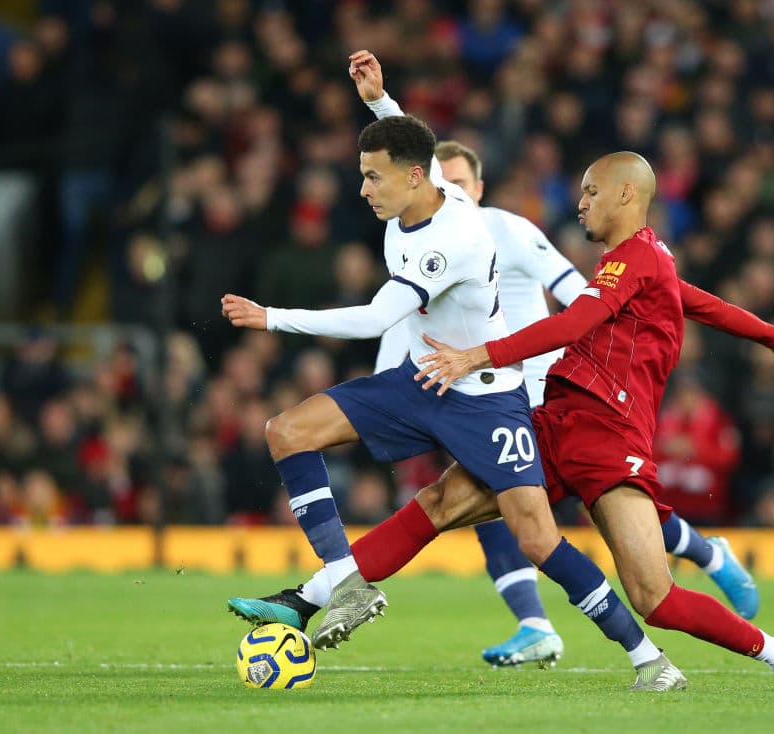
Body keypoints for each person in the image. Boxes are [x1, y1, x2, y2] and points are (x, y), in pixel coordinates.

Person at [223, 50, 688, 691]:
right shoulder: (418, 192)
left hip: (487, 401)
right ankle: (349, 587)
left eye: (373, 179)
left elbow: (372, 319)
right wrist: (377, 103)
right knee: (286, 430)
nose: (363, 190)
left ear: (412, 180)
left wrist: (272, 317)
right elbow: (418, 146)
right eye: (362, 176)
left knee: (537, 539)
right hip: (424, 380)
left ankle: (649, 659)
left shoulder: (452, 239)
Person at [366, 55, 759, 668]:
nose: (453, 193)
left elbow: (583, 299)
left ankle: (702, 562)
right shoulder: (417, 245)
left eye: (463, 182)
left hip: (550, 383)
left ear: (478, 188)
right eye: (443, 182)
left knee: (599, 516)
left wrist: (496, 351)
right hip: (491, 389)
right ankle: (541, 625)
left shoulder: (512, 232)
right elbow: (401, 325)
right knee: (486, 508)